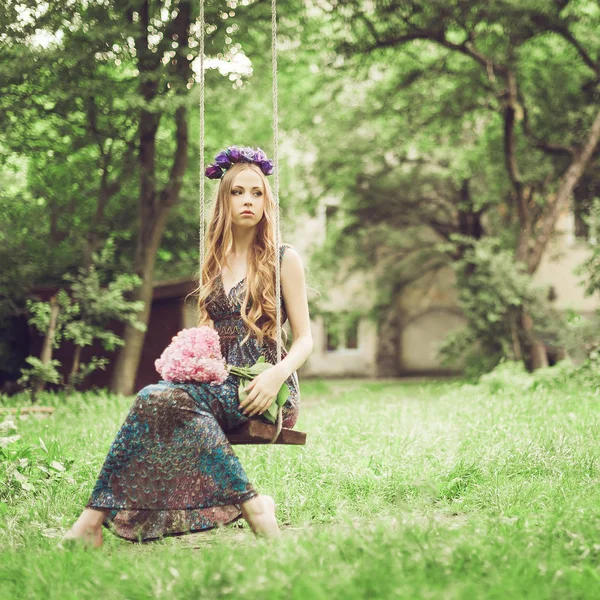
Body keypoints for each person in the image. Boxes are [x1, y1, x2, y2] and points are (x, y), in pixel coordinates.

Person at [58, 146, 313, 548]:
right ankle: (253, 505)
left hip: (265, 388)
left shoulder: (284, 259)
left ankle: (90, 524)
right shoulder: (214, 260)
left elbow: (305, 339)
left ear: (266, 202)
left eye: (257, 193)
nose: (248, 200)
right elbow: (208, 336)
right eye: (237, 192)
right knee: (155, 397)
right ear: (224, 200)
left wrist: (276, 373)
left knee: (161, 399)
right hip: (216, 385)